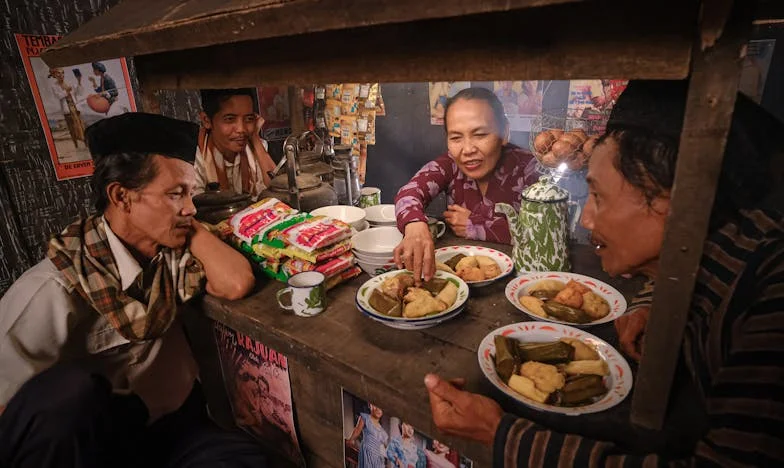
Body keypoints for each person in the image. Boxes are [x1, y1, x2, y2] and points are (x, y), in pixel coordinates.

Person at [423, 80, 784, 466]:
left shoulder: (770, 301)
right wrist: (650, 304)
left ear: (674, 197)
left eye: (597, 195)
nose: (588, 218)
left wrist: (501, 434)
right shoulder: (727, 256)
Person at [0, 112, 265, 467]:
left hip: (175, 428)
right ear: (122, 197)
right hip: (103, 446)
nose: (190, 206)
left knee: (245, 461)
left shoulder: (171, 255)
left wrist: (185, 219)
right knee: (66, 392)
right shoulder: (54, 286)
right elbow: (16, 413)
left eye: (191, 192)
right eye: (176, 193)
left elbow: (235, 282)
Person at [395, 87, 538, 281]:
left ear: (504, 133)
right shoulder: (450, 164)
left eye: (480, 135)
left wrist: (475, 224)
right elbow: (409, 193)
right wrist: (415, 225)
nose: (468, 149)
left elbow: (540, 237)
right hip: (461, 281)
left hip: (522, 280)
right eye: (456, 138)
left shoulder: (529, 168)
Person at [194, 88, 277, 200]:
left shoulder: (258, 148)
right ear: (206, 120)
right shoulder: (195, 157)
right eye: (230, 119)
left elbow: (278, 190)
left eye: (249, 119)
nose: (241, 129)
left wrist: (255, 138)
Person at [48, 67, 85, 148]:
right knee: (72, 127)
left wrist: (79, 81)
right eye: (58, 73)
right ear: (54, 75)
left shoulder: (69, 82)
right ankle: (76, 145)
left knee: (81, 125)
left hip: (75, 106)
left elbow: (80, 93)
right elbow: (58, 96)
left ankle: (85, 142)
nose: (61, 75)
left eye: (62, 73)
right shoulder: (54, 86)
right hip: (67, 109)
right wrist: (67, 91)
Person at [347, 403, 389, 468]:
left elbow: (388, 448)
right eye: (375, 405)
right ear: (370, 405)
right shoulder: (365, 418)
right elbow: (357, 431)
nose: (378, 409)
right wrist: (350, 440)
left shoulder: (383, 432)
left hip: (377, 457)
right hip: (366, 452)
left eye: (381, 408)